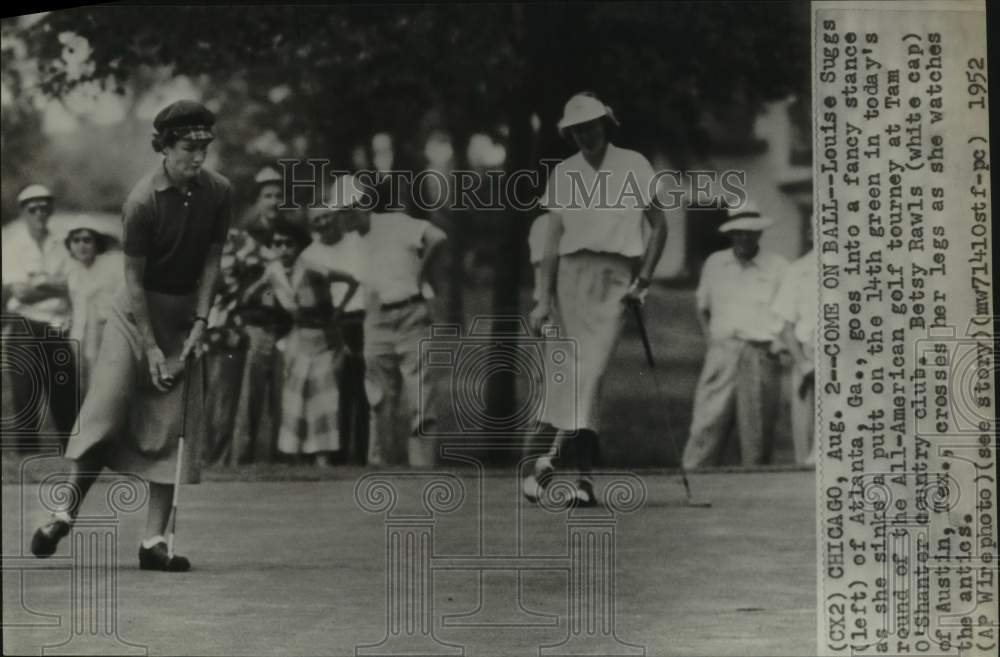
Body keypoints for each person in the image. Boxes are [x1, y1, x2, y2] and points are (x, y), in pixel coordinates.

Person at [31, 100, 231, 572]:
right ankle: (63, 513)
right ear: (163, 147)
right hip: (134, 315)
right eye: (188, 148)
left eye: (204, 148)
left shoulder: (220, 191)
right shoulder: (141, 200)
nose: (198, 158)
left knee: (170, 427)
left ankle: (154, 541)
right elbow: (135, 282)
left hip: (185, 317)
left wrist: (201, 323)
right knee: (107, 414)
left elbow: (211, 261)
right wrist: (150, 348)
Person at [524, 91, 668, 506]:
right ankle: (583, 483)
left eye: (590, 126)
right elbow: (552, 242)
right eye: (576, 130)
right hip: (570, 278)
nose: (585, 135)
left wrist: (643, 281)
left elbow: (659, 227)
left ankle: (548, 461)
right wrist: (543, 299)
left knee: (591, 376)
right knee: (574, 378)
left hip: (615, 279)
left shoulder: (634, 164)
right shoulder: (565, 174)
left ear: (606, 123)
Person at [333, 175, 447, 466]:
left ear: (361, 205)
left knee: (421, 396)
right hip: (376, 317)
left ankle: (422, 467)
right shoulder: (349, 242)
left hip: (410, 313)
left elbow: (437, 237)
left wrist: (420, 275)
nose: (342, 218)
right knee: (379, 397)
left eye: (346, 211)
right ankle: (380, 464)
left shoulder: (395, 223)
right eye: (339, 212)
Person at [681, 204, 789, 469]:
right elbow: (702, 307)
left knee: (757, 433)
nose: (743, 238)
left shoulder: (778, 267)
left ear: (760, 234)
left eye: (750, 233)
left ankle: (752, 497)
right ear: (730, 234)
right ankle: (694, 484)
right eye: (738, 232)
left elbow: (788, 313)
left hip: (759, 352)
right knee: (705, 426)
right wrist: (713, 344)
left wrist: (776, 347)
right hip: (722, 351)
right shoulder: (715, 263)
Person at [247, 215, 359, 465]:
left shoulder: (312, 268)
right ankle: (296, 460)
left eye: (289, 244)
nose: (284, 250)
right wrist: (264, 297)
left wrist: (339, 309)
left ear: (298, 247)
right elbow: (256, 291)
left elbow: (351, 281)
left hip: (324, 339)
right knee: (295, 398)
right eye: (278, 244)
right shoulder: (273, 272)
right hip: (298, 339)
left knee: (324, 399)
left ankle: (323, 459)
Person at [208, 166, 290, 465]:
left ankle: (270, 460)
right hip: (246, 324)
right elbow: (227, 283)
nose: (274, 201)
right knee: (240, 398)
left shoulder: (291, 235)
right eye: (268, 195)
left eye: (279, 195)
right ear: (258, 200)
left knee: (278, 401)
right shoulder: (243, 237)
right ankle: (236, 460)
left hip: (285, 325)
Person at [2, 184, 77, 445]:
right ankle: (27, 452)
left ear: (51, 210)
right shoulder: (12, 245)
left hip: (57, 324)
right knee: (25, 390)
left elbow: (73, 284)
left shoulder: (63, 244)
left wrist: (40, 284)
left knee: (64, 388)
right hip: (24, 323)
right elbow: (20, 293)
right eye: (33, 209)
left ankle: (71, 450)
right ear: (23, 212)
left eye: (44, 208)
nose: (39, 214)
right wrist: (54, 285)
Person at [301, 200, 370, 465]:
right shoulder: (309, 255)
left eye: (327, 217)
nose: (323, 223)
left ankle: (363, 455)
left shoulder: (357, 242)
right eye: (317, 219)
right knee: (335, 393)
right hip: (332, 327)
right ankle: (337, 456)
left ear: (337, 217)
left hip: (363, 320)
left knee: (364, 393)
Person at [64, 217, 125, 393]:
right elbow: (75, 306)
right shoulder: (73, 271)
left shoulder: (114, 264)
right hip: (81, 336)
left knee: (109, 386)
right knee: (84, 387)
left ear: (97, 243)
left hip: (109, 332)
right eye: (76, 241)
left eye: (87, 240)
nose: (81, 245)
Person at [773, 229, 816, 467]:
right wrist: (803, 363)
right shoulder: (798, 270)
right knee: (806, 437)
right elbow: (786, 327)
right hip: (808, 358)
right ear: (811, 234)